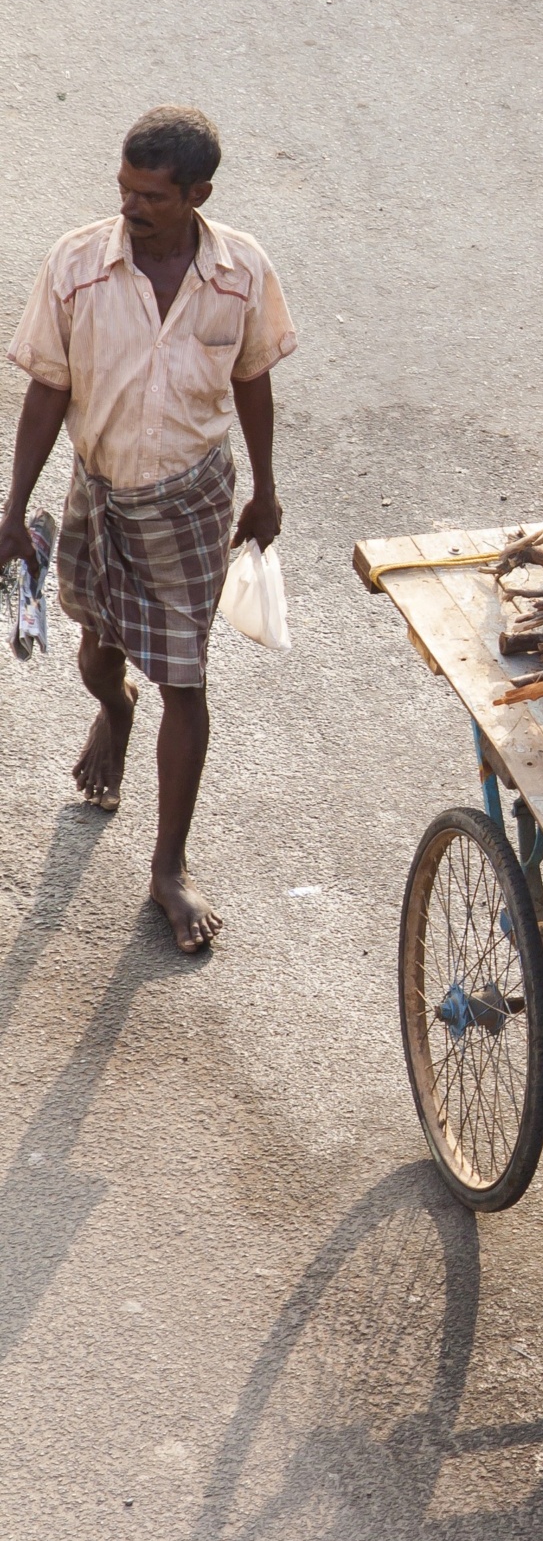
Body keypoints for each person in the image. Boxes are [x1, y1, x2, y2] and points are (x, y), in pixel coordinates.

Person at [0, 108, 295, 951]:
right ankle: (112, 712)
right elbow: (49, 389)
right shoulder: (76, 264)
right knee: (97, 650)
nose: (131, 207)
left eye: (152, 196)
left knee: (185, 680)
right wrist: (14, 511)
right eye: (125, 189)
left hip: (193, 499)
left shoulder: (242, 273)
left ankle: (168, 868)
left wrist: (266, 491)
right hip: (99, 488)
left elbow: (253, 381)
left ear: (199, 194)